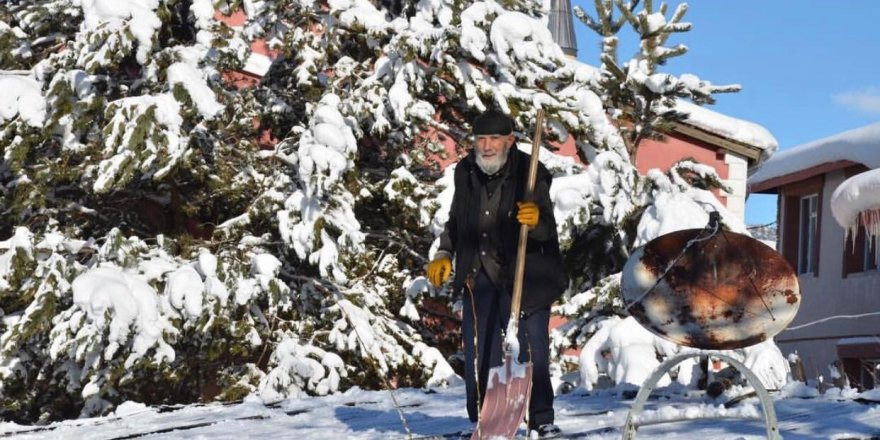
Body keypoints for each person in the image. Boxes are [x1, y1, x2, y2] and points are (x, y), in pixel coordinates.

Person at [426, 109, 567, 438]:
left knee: (534, 351)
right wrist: (445, 251)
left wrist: (536, 221)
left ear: (510, 141)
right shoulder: (466, 171)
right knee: (482, 352)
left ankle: (541, 418)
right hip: (481, 277)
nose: (486, 146)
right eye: (480, 139)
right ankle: (486, 420)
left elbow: (548, 228)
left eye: (494, 139)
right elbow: (457, 220)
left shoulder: (531, 173)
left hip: (525, 276)